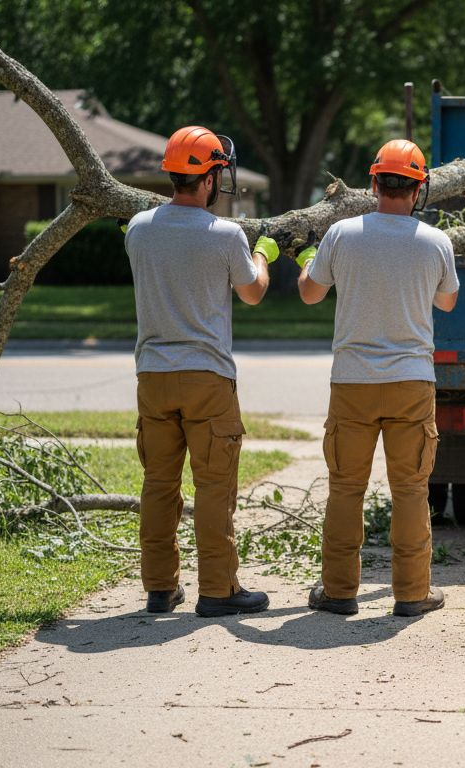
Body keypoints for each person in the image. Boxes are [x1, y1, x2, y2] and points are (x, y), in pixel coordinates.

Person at [295, 138, 459, 617]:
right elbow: (447, 301)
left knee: (346, 488)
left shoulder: (342, 234)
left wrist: (307, 262)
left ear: (373, 183)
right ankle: (412, 594)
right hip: (411, 381)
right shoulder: (436, 241)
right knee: (410, 489)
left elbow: (309, 294)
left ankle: (339, 591)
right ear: (418, 189)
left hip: (352, 381)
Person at [125, 125, 282, 617]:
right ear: (212, 177)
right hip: (207, 376)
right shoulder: (226, 234)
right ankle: (217, 588)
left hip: (152, 374)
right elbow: (253, 292)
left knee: (159, 483)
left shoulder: (139, 228)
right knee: (213, 487)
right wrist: (264, 254)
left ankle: (159, 587)